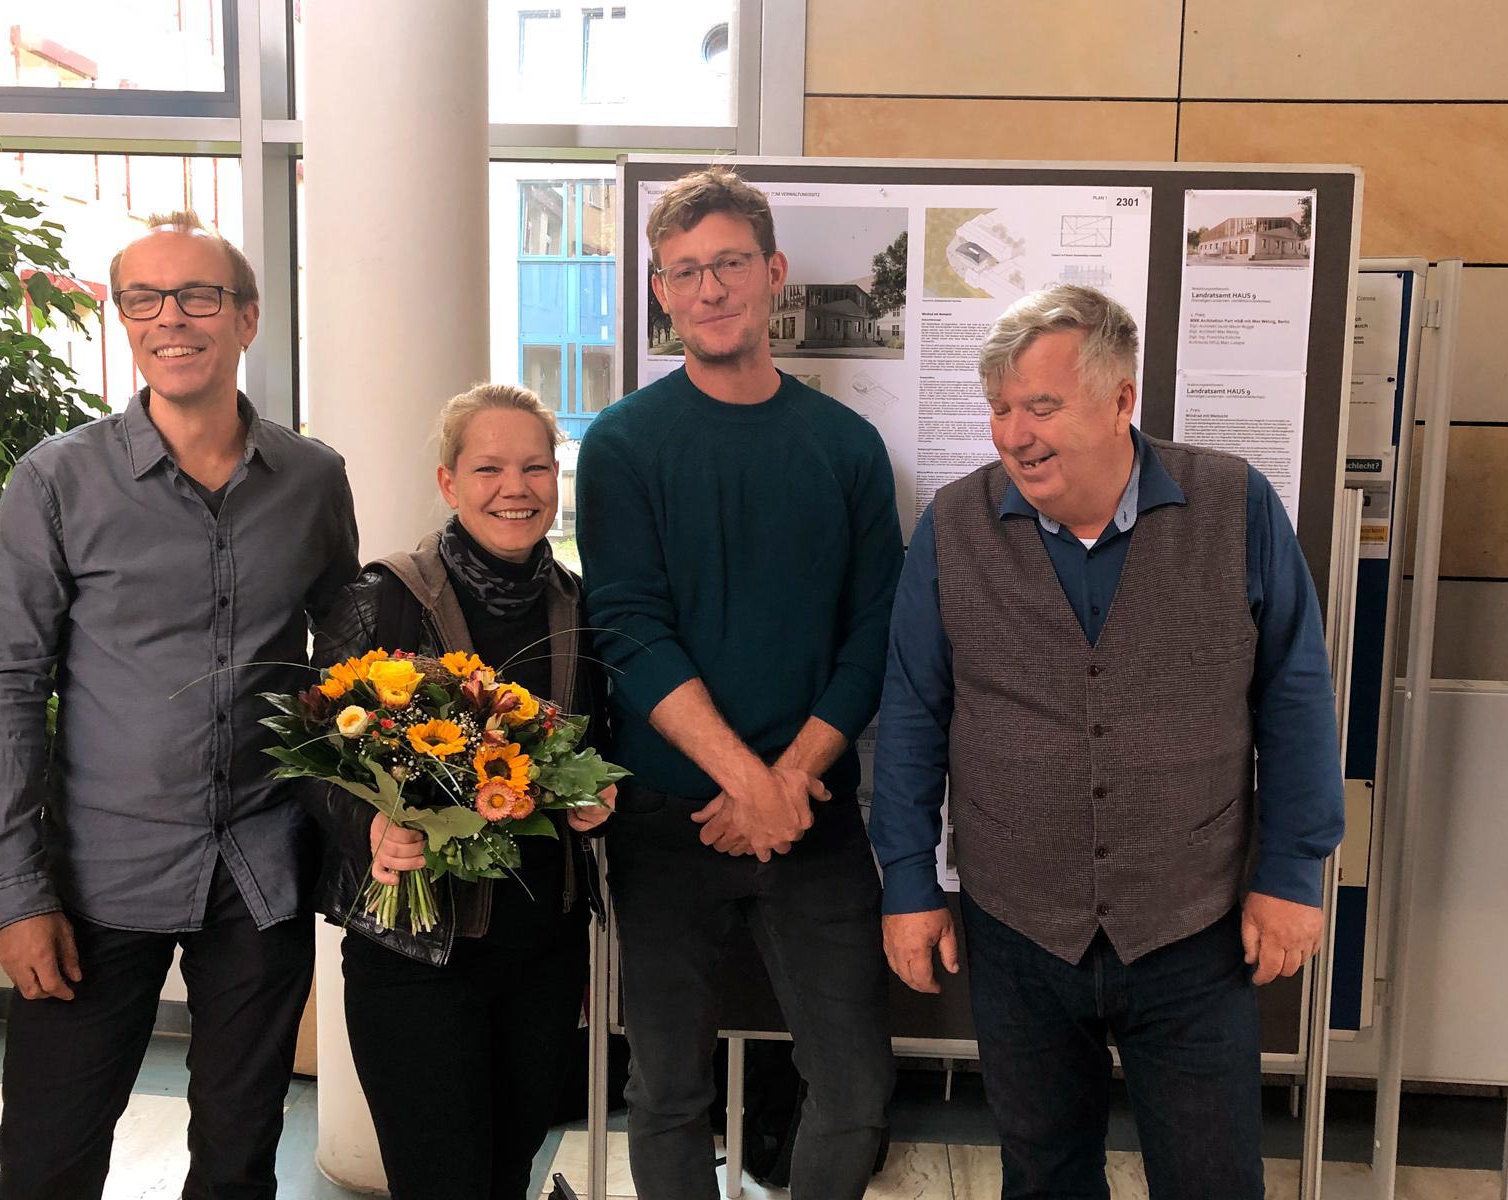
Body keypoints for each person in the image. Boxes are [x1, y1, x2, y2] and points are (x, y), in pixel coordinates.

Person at [868, 283, 1345, 1198]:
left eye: (1041, 406)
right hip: (1016, 931)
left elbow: (1295, 698)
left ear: (1122, 399)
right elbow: (914, 714)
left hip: (1193, 931)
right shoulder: (952, 529)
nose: (1015, 435)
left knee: (1211, 1180)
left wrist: (1292, 873)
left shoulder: (1237, 507)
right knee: (1044, 1178)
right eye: (1001, 409)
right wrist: (907, 884)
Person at [0, 209, 359, 1199]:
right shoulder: (55, 481)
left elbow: (352, 671)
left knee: (237, 1158)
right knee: (47, 1160)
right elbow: (8, 684)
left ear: (247, 318)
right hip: (94, 877)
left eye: (199, 295)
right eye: (145, 298)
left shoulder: (312, 479)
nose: (171, 318)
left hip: (261, 869)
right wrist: (16, 893)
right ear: (124, 319)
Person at [576, 166, 903, 1200]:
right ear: (661, 294)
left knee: (852, 1086)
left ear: (773, 273)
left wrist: (787, 781)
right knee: (666, 1088)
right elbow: (629, 628)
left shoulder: (847, 448)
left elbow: (874, 636)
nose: (708, 288)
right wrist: (744, 782)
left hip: (815, 821)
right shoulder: (622, 444)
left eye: (726, 264)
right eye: (683, 272)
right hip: (668, 824)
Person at [308, 382, 614, 1200]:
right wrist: (369, 825)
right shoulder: (381, 601)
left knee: (506, 1176)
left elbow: (595, 746)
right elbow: (311, 762)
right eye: (488, 469)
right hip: (417, 962)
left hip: (543, 959)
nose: (515, 489)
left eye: (535, 468)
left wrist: (595, 800)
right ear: (448, 483)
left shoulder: (577, 609)